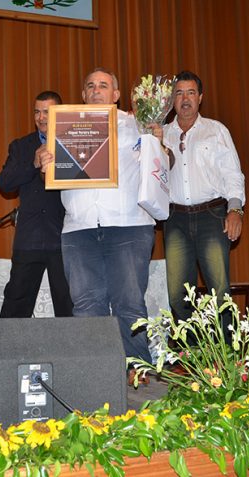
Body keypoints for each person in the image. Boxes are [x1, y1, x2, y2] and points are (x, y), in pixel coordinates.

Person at [37, 68, 155, 365]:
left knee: (130, 305)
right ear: (83, 94)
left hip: (128, 226)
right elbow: (52, 175)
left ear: (116, 95)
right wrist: (45, 162)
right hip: (79, 229)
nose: (96, 90)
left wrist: (158, 142)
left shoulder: (137, 125)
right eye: (90, 85)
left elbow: (160, 166)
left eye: (103, 85)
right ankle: (94, 373)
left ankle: (138, 373)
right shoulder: (61, 127)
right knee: (86, 307)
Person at [161, 70, 246, 334]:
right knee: (177, 295)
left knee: (219, 292)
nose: (185, 99)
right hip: (174, 220)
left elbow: (233, 173)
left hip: (212, 215)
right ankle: (194, 360)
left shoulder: (216, 130)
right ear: (172, 100)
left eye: (190, 92)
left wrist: (235, 209)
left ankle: (229, 357)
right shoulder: (160, 133)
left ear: (200, 97)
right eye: (179, 93)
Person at [0, 90, 73, 318]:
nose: (41, 118)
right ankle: (8, 353)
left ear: (59, 114)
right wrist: (32, 163)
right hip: (28, 239)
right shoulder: (21, 146)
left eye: (47, 112)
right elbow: (5, 183)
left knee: (68, 307)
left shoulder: (74, 144)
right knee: (15, 306)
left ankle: (71, 354)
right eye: (37, 112)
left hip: (64, 238)